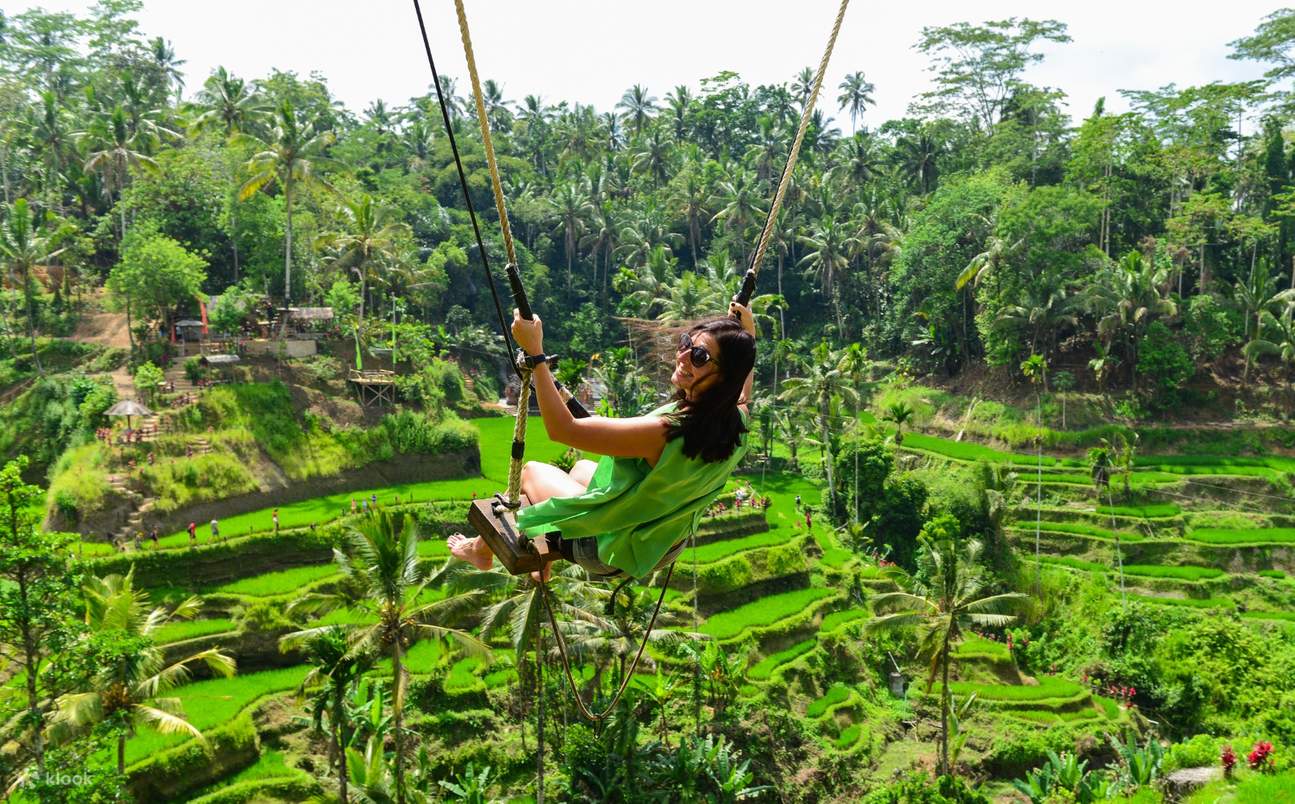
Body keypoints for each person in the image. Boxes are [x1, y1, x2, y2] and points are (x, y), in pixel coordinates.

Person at [449, 302, 757, 583]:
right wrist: (747, 334)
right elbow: (743, 391)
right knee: (582, 468)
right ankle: (537, 558)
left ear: (723, 378)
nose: (683, 357)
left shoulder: (664, 433)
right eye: (687, 344)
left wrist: (536, 356)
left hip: (607, 552)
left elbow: (564, 429)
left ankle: (481, 552)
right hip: (659, 544)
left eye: (699, 357)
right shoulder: (734, 420)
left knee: (530, 473)